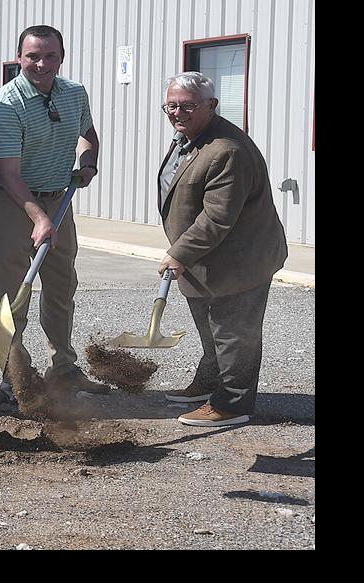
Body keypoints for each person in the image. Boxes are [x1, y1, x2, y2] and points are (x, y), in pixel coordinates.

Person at [0, 24, 105, 402]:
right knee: (12, 291)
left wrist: (88, 162)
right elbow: (9, 173)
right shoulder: (5, 105)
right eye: (32, 56)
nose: (41, 64)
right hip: (7, 201)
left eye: (50, 56)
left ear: (61, 57)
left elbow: (89, 135)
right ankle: (14, 375)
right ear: (19, 58)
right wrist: (39, 218)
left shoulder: (73, 93)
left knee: (62, 285)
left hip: (56, 198)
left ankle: (64, 368)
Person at [156, 72, 288, 427]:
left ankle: (233, 403)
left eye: (187, 106)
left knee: (234, 332)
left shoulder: (226, 149)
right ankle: (210, 382)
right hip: (203, 259)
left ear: (212, 105)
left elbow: (217, 217)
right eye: (171, 105)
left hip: (240, 261)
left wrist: (179, 252)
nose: (177, 112)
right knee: (210, 327)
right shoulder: (190, 136)